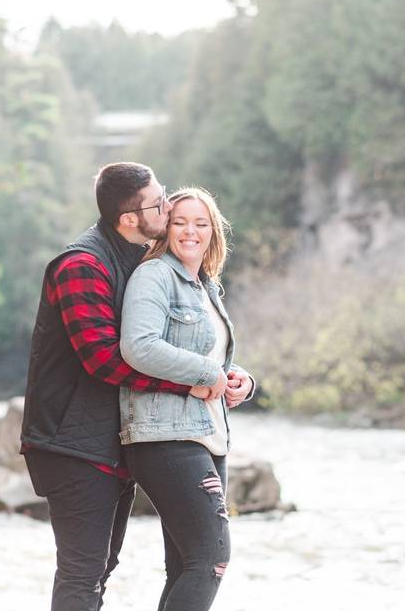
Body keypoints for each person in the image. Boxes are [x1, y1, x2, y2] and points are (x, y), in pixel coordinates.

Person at [20, 163, 253, 611]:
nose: (167, 208)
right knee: (83, 573)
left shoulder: (137, 259)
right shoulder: (82, 266)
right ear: (130, 219)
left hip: (109, 439)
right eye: (159, 202)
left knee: (103, 568)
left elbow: (180, 343)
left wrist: (226, 377)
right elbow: (106, 359)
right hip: (70, 443)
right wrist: (194, 385)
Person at [119, 187, 254, 611]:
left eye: (200, 223)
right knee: (211, 560)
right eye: (179, 222)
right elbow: (138, 347)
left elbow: (209, 356)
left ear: (214, 231)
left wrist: (240, 380)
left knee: (186, 565)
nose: (190, 231)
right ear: (166, 229)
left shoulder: (205, 286)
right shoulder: (154, 274)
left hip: (208, 436)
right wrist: (206, 373)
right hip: (166, 437)